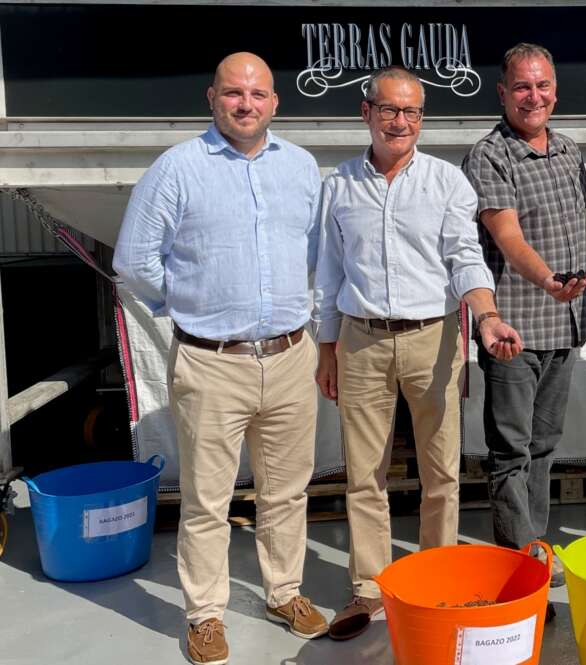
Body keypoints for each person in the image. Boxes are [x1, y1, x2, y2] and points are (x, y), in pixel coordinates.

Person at [113, 52, 328, 665]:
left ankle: (283, 592)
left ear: (275, 103)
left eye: (258, 94)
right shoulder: (177, 168)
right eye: (234, 93)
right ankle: (205, 613)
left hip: (290, 356)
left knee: (287, 491)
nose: (246, 104)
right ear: (212, 97)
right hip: (212, 361)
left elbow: (317, 253)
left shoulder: (302, 167)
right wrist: (187, 306)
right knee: (208, 499)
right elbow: (134, 260)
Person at [314, 65, 522, 641]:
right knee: (364, 473)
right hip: (360, 338)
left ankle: (437, 578)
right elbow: (329, 273)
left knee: (440, 472)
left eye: (412, 112)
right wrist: (326, 348)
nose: (401, 122)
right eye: (389, 110)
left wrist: (486, 315)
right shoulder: (339, 185)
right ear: (366, 113)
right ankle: (367, 589)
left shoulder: (447, 183)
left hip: (434, 337)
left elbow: (465, 258)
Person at [462, 44, 586, 605]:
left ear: (555, 90)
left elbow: (574, 225)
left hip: (563, 324)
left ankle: (533, 541)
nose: (533, 96)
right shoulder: (491, 155)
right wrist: (549, 282)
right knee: (510, 447)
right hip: (513, 326)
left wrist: (572, 298)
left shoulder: (568, 150)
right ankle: (519, 552)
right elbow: (507, 237)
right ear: (503, 93)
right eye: (521, 87)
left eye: (541, 86)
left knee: (545, 443)